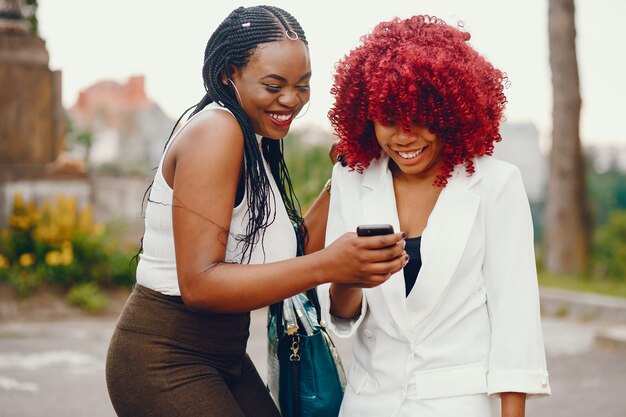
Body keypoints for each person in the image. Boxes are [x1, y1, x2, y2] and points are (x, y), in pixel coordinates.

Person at [105, 6, 407, 417]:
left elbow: (290, 252)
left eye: (303, 85)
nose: (291, 100)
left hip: (224, 354)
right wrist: (329, 266)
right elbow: (200, 285)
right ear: (231, 73)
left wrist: (343, 176)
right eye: (273, 85)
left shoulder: (254, 137)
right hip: (166, 357)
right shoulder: (217, 131)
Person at [318, 15, 551, 417]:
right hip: (367, 404)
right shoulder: (350, 179)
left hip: (459, 405)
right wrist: (350, 275)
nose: (404, 138)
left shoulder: (496, 184)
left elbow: (517, 323)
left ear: (452, 113)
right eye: (389, 119)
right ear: (366, 115)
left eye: (421, 119)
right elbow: (341, 316)